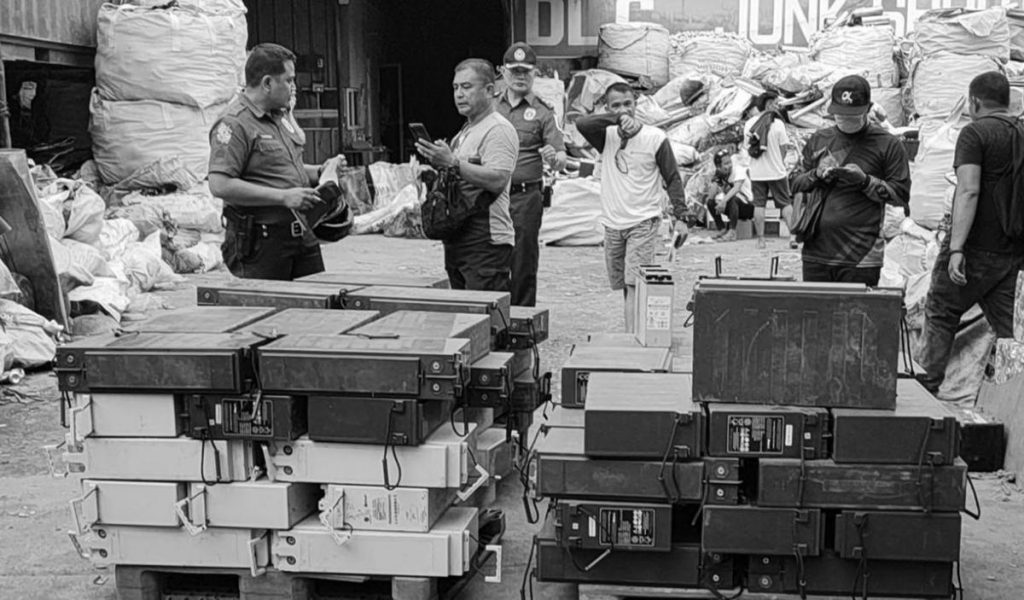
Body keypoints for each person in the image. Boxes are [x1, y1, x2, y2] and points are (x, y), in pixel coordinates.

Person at [918, 72, 1024, 394]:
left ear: (974, 101)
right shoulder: (1021, 134)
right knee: (1010, 331)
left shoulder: (974, 134)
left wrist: (957, 249)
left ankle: (926, 388)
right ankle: (1014, 399)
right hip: (1013, 253)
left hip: (976, 249)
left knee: (941, 311)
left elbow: (968, 191)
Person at [208, 43, 343, 281]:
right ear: (267, 83)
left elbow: (286, 169)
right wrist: (283, 197)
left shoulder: (279, 117)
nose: (293, 88)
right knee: (270, 313)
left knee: (316, 307)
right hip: (262, 242)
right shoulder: (234, 123)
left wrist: (322, 170)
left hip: (301, 234)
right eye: (289, 80)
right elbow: (220, 185)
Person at [576, 82, 688, 333]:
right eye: (615, 105)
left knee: (636, 282)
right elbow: (582, 124)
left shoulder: (655, 138)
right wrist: (617, 119)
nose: (623, 109)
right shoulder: (606, 136)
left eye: (628, 104)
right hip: (613, 223)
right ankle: (635, 333)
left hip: (643, 221)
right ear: (607, 108)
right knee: (623, 285)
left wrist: (682, 217)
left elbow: (672, 178)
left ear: (637, 104)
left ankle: (632, 340)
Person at [790, 75, 910, 285]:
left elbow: (900, 195)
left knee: (856, 316)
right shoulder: (820, 139)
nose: (845, 119)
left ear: (868, 108)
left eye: (852, 114)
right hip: (816, 252)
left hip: (861, 255)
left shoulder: (888, 144)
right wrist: (816, 175)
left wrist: (865, 182)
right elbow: (795, 184)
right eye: (840, 114)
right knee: (815, 315)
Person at [416, 59, 518, 292]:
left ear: (490, 90)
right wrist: (436, 166)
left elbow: (498, 179)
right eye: (455, 88)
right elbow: (458, 176)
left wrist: (452, 162)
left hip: (486, 243)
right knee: (463, 320)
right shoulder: (465, 131)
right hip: (458, 236)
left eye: (467, 87)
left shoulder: (498, 130)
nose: (459, 94)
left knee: (485, 321)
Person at [494, 42, 566, 306]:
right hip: (491, 196)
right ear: (503, 72)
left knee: (523, 261)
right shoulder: (490, 107)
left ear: (535, 73)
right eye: (515, 71)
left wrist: (553, 157)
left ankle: (522, 326)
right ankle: (494, 321)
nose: (520, 76)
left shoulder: (544, 111)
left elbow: (561, 157)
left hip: (526, 198)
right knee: (491, 260)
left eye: (526, 71)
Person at [744, 91, 796, 249]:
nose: (777, 106)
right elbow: (784, 148)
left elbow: (748, 148)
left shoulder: (750, 124)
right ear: (768, 104)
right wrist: (779, 161)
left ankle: (761, 240)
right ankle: (793, 237)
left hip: (757, 172)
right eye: (774, 103)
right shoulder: (778, 123)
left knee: (759, 205)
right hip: (777, 172)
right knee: (785, 204)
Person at [703, 149, 754, 242]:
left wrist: (723, 201)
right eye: (725, 164)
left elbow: (736, 188)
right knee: (710, 202)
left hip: (747, 206)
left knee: (732, 198)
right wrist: (717, 179)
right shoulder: (720, 173)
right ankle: (722, 229)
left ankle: (732, 232)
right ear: (718, 167)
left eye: (729, 162)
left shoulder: (738, 170)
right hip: (732, 206)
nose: (729, 166)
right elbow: (711, 196)